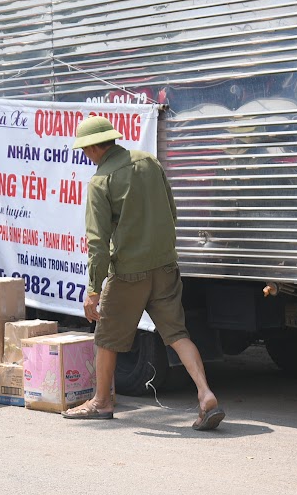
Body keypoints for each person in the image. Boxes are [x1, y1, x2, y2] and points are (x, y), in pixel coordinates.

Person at [62, 116, 225, 430]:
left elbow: (96, 242)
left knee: (106, 338)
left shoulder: (101, 181)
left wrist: (93, 288)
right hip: (164, 266)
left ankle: (101, 402)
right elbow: (171, 210)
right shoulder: (149, 162)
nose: (85, 155)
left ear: (96, 147)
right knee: (177, 334)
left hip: (127, 273)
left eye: (85, 149)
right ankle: (205, 395)